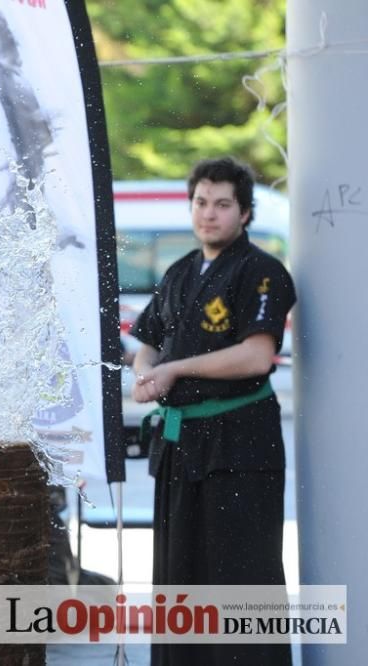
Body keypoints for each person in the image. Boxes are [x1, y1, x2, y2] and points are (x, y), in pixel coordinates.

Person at [130, 157, 296, 666]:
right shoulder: (180, 272)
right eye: (201, 202)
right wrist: (147, 374)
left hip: (241, 443)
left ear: (245, 213)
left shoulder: (262, 271)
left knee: (241, 574)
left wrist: (177, 371)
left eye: (223, 204)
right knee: (180, 573)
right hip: (182, 448)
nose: (209, 214)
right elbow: (148, 342)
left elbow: (256, 354)